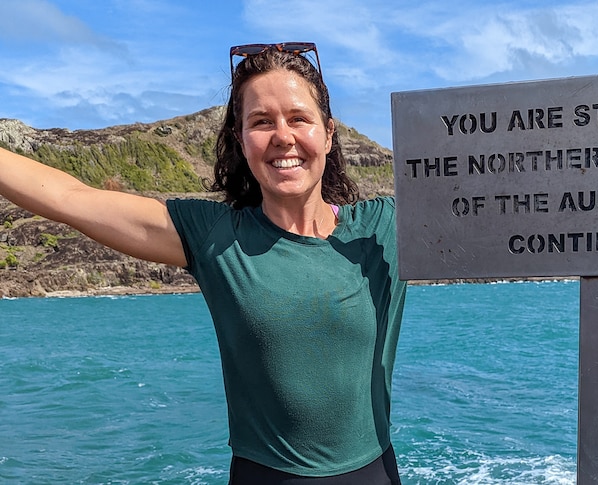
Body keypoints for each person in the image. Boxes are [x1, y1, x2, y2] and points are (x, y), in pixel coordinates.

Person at [0, 42, 405, 484]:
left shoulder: (390, 228)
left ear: (328, 133)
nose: (283, 136)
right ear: (240, 139)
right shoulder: (216, 237)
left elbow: (485, 191)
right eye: (261, 122)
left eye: (298, 118)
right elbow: (69, 199)